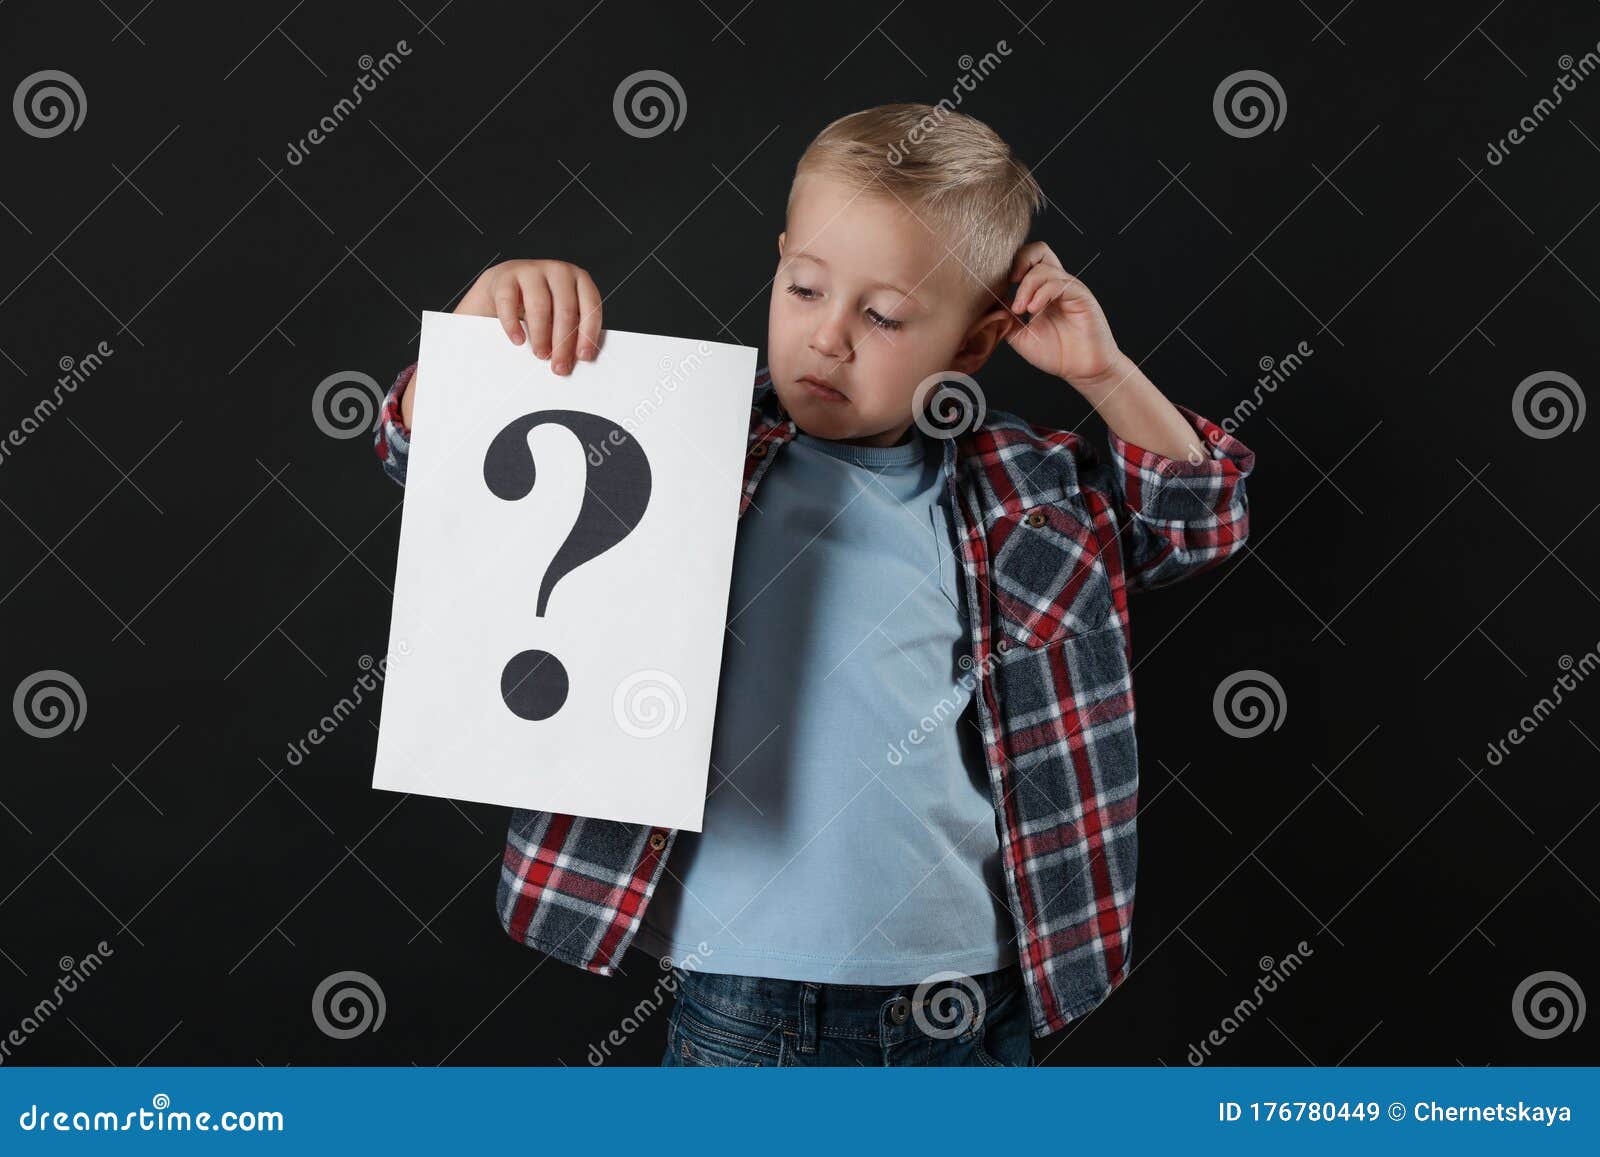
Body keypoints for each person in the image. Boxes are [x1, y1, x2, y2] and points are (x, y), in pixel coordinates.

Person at [374, 103, 1256, 1066]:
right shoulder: (680, 447)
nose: (828, 338)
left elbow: (1196, 523)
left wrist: (1105, 372)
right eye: (805, 289)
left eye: (882, 316)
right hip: (748, 988)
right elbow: (432, 458)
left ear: (971, 345)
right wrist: (479, 329)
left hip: (966, 991)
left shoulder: (1023, 488)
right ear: (781, 260)